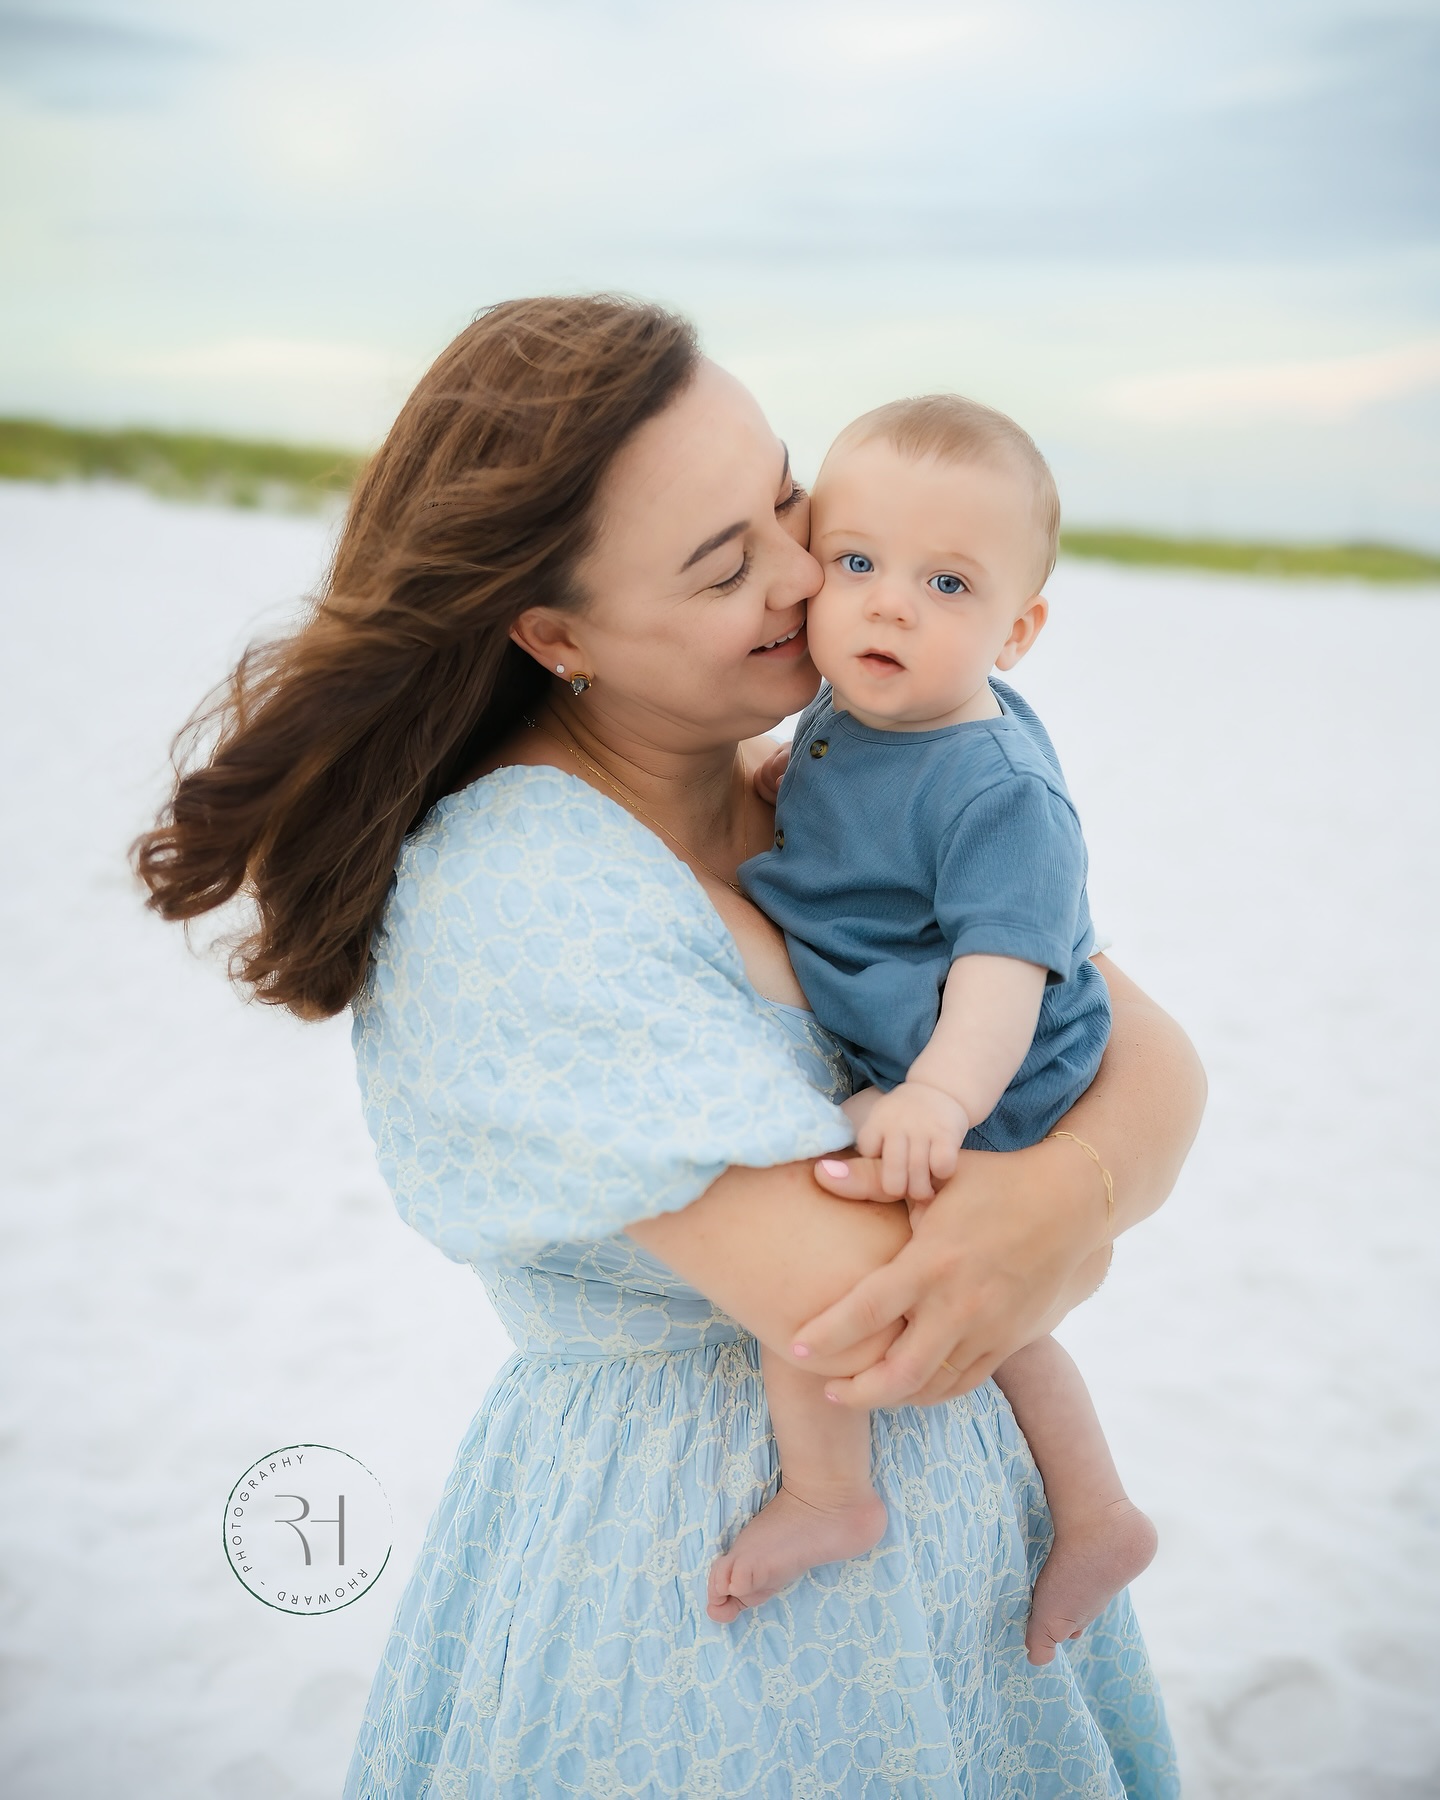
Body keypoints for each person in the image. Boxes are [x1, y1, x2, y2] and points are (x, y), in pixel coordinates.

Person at [132, 294, 1205, 1798]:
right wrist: (1079, 1195)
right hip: (703, 1598)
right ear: (555, 632)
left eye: (785, 500)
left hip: (970, 1569)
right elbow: (876, 1309)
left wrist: (1068, 1200)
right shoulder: (520, 889)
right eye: (724, 563)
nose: (803, 578)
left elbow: (1143, 1047)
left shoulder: (812, 777)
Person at [722, 393, 1157, 1665]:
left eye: (947, 583)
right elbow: (854, 818)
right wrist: (786, 788)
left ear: (1017, 631)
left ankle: (830, 1496)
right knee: (986, 1311)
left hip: (991, 1063)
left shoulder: (1001, 790)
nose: (889, 605)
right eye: (856, 563)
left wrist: (937, 1103)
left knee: (846, 1248)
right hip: (919, 1037)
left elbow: (1005, 971)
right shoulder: (859, 706)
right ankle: (1100, 1511)